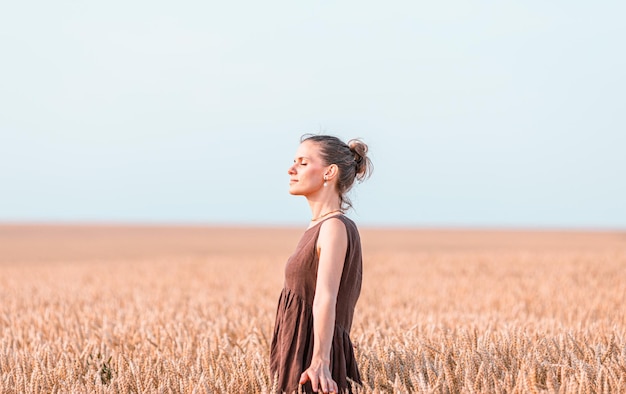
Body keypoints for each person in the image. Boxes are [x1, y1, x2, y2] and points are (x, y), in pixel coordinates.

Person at [270, 134, 373, 394]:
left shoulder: (333, 227)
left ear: (329, 172)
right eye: (294, 161)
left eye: (303, 163)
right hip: (298, 353)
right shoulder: (318, 226)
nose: (291, 169)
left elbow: (326, 297)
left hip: (313, 362)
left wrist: (321, 363)